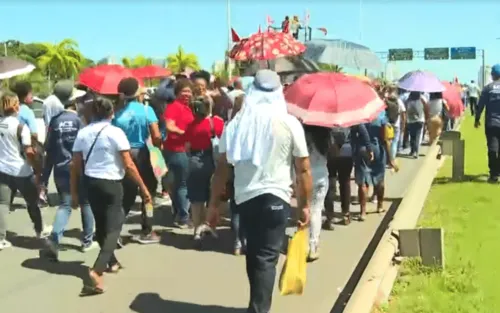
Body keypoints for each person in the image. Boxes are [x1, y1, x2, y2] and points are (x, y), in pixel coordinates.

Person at [207, 70, 312, 313]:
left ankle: (256, 306)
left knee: (255, 255)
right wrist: (305, 205)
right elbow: (303, 169)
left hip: (245, 201)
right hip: (276, 199)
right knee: (263, 258)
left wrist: (213, 205)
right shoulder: (290, 123)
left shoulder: (235, 125)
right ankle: (259, 309)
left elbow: (221, 169)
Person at [71, 97, 152, 295]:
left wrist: (75, 192)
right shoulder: (116, 132)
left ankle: (111, 261)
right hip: (111, 184)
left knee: (101, 225)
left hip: (91, 183)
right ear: (111, 113)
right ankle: (97, 270)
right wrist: (143, 187)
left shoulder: (83, 133)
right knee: (114, 227)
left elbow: (75, 165)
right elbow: (129, 163)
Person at [41, 81, 97, 260]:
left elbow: (48, 151)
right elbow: (87, 148)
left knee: (65, 205)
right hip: (80, 168)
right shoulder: (79, 121)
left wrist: (44, 177)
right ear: (75, 99)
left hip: (60, 170)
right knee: (86, 202)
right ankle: (87, 241)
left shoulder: (55, 122)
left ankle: (55, 239)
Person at [112, 77, 162, 244]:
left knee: (127, 195)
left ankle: (115, 231)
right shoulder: (147, 111)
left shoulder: (117, 114)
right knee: (148, 192)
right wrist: (158, 149)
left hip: (124, 155)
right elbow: (156, 136)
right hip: (142, 153)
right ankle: (147, 230)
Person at [0, 92, 48, 250]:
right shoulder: (21, 127)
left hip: (2, 170)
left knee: (3, 204)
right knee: (32, 201)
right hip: (21, 171)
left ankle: (1, 238)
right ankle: (39, 230)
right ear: (15, 107)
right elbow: (28, 152)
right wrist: (36, 168)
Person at [184, 96, 224, 242]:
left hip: (195, 161)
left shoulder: (191, 125)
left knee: (196, 199)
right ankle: (210, 227)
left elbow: (187, 147)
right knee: (213, 197)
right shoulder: (217, 123)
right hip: (214, 162)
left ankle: (196, 229)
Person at [354, 110, 398, 221]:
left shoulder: (358, 114)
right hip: (377, 149)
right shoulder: (381, 114)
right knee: (380, 179)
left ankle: (363, 212)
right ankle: (380, 206)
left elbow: (354, 135)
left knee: (363, 183)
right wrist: (390, 159)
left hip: (362, 150)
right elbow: (385, 139)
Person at [163, 78, 195, 228]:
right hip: (177, 150)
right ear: (177, 92)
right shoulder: (174, 107)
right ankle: (183, 217)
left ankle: (178, 212)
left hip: (181, 150)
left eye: (189, 91)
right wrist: (185, 133)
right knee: (183, 185)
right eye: (184, 91)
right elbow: (169, 126)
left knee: (177, 184)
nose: (187, 94)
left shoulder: (188, 107)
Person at [302, 125, 329, 262]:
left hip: (307, 175)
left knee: (307, 210)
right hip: (322, 175)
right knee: (316, 210)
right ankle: (313, 245)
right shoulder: (325, 136)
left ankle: (306, 243)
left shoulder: (303, 136)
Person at [323, 126, 354, 229]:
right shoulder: (348, 114)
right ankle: (346, 214)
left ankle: (329, 218)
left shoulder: (326, 116)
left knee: (330, 184)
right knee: (345, 183)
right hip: (346, 152)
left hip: (330, 152)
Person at [475, 64, 500, 183]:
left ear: (493, 75)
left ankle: (494, 174)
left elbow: (480, 105)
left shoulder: (488, 88)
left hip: (491, 123)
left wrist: (477, 119)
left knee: (492, 148)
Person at [406, 92, 429, 159]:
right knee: (417, 136)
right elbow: (426, 109)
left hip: (410, 120)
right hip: (420, 120)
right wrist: (427, 118)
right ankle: (416, 152)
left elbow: (406, 109)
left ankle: (412, 151)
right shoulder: (422, 99)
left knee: (412, 136)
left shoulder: (408, 99)